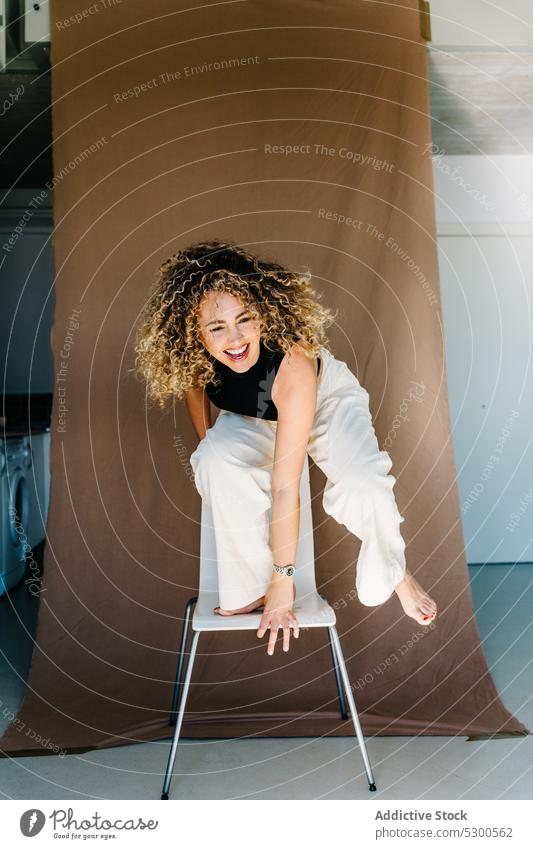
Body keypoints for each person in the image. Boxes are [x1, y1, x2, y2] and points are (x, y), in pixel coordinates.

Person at [134, 239, 437, 656]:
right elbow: (208, 434)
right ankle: (247, 589)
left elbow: (283, 487)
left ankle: (397, 573)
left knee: (365, 485)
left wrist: (284, 579)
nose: (235, 339)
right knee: (213, 459)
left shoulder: (291, 361)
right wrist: (223, 463)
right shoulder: (192, 361)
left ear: (263, 312)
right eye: (216, 328)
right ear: (194, 333)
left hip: (321, 396)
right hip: (257, 416)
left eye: (245, 320)